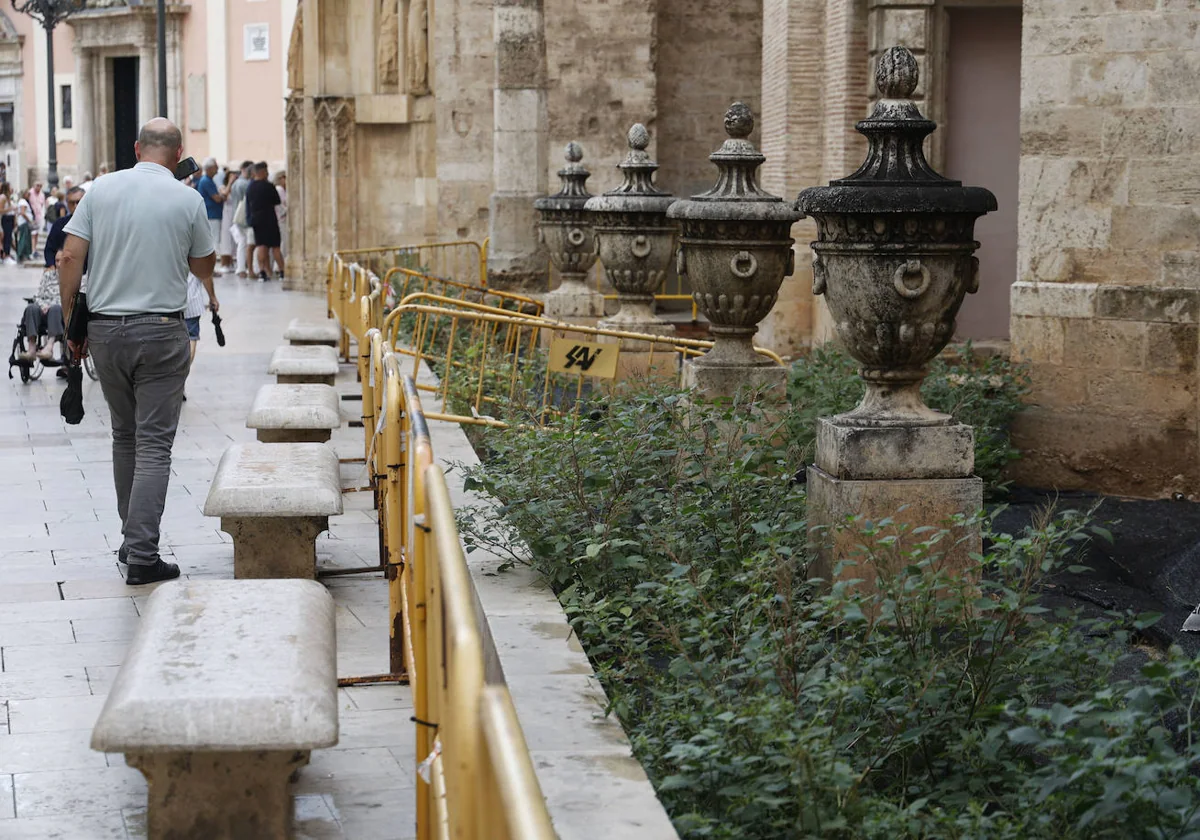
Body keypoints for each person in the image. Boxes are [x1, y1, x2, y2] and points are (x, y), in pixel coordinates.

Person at [59, 118, 219, 586]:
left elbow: (70, 257)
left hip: (106, 333)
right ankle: (144, 555)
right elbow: (203, 265)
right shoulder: (187, 198)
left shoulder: (100, 191)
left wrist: (73, 321)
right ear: (178, 153)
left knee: (124, 436)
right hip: (162, 331)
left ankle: (132, 540)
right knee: (154, 443)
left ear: (136, 148)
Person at [18, 252, 65, 363]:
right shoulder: (48, 275)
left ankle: (49, 347)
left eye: (61, 261)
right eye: (56, 261)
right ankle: (32, 348)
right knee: (31, 308)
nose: (58, 264)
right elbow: (38, 296)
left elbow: (70, 298)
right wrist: (43, 305)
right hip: (43, 308)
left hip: (59, 311)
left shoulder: (72, 278)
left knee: (55, 309)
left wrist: (50, 306)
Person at [246, 162, 283, 282]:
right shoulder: (269, 186)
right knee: (276, 247)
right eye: (266, 171)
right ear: (261, 172)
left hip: (257, 220)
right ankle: (282, 272)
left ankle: (262, 272)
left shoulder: (250, 187)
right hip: (270, 219)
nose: (267, 174)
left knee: (261, 246)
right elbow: (277, 201)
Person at [195, 158, 227, 276]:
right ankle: (210, 269)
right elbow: (217, 198)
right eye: (215, 167)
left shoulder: (208, 180)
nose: (217, 170)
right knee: (213, 242)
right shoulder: (206, 181)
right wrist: (224, 196)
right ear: (209, 168)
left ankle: (211, 269)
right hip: (211, 215)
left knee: (213, 242)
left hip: (212, 214)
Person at [45, 187, 83, 267]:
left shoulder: (94, 225)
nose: (76, 206)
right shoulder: (59, 224)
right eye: (72, 203)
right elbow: (49, 249)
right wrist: (51, 265)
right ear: (67, 204)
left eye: (79, 202)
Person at [228, 160, 254, 277]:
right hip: (244, 217)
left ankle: (241, 268)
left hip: (237, 216)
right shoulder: (245, 184)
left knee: (242, 244)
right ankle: (243, 268)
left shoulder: (236, 183)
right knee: (245, 243)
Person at [273, 170, 288, 260]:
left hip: (281, 218)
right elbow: (282, 204)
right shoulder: (279, 189)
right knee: (283, 243)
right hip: (281, 218)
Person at [14, 190, 32, 263]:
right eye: (28, 194)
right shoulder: (23, 202)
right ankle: (20, 255)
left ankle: (25, 255)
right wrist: (29, 220)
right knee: (23, 239)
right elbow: (22, 212)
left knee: (26, 239)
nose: (29, 196)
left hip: (23, 223)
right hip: (24, 223)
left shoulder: (23, 202)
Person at [0, 182, 14, 262]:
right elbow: (0, 210)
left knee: (9, 237)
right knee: (6, 237)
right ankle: (6, 255)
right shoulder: (3, 197)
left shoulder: (8, 197)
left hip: (10, 218)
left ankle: (7, 254)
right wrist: (10, 209)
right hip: (6, 218)